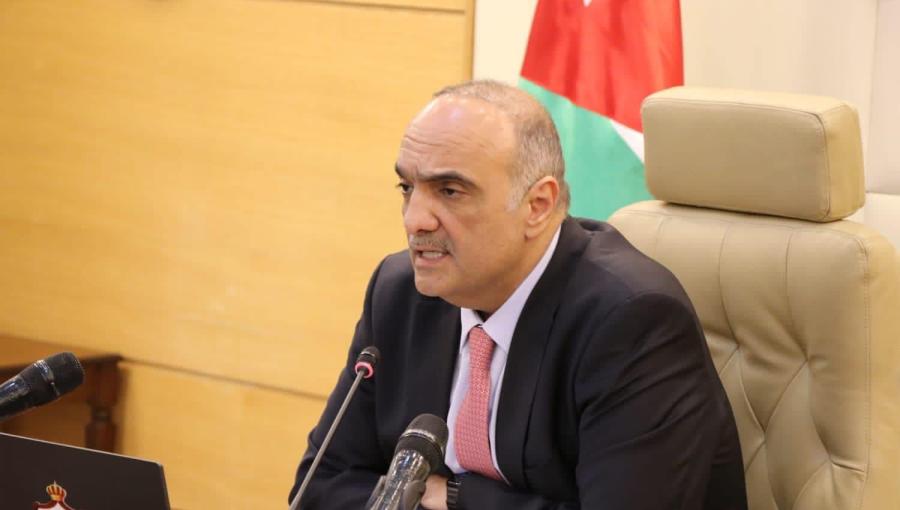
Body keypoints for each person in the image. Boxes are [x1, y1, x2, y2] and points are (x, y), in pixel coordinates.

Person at [289, 80, 747, 509]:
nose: (415, 219)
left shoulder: (631, 321)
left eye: (450, 191)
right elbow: (320, 487)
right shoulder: (399, 293)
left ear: (537, 206)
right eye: (408, 188)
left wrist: (455, 497)